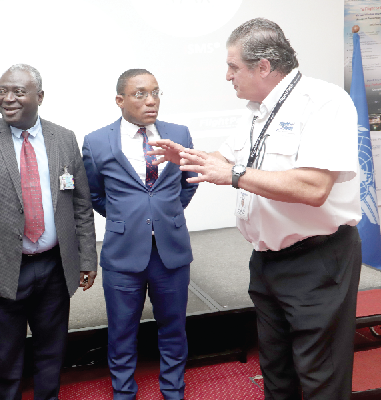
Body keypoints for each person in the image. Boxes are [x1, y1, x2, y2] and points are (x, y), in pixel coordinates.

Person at [150, 18, 362, 400]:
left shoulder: (325, 102)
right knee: (277, 374)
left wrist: (232, 174)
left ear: (262, 67)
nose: (227, 76)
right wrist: (183, 156)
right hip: (267, 263)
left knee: (320, 379)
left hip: (317, 261)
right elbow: (225, 159)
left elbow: (314, 187)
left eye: (233, 67)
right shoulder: (255, 110)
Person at [0, 64, 97, 400]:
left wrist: (87, 257)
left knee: (51, 354)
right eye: (3, 90)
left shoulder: (64, 139)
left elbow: (81, 205)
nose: (8, 98)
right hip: (0, 267)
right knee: (5, 360)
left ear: (39, 97)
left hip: (54, 268)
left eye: (18, 91)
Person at [82, 69, 198, 400]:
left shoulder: (179, 133)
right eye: (140, 94)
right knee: (121, 331)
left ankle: (174, 390)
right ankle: (123, 393)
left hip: (171, 251)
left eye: (156, 93)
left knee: (174, 328)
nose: (151, 101)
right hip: (122, 254)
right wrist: (126, 218)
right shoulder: (96, 141)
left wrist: (165, 215)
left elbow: (188, 183)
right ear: (120, 100)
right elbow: (93, 194)